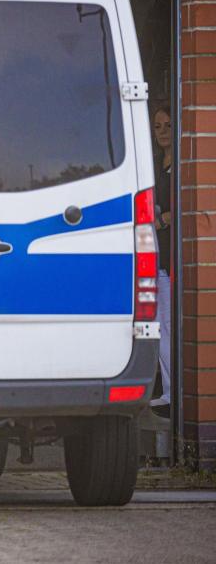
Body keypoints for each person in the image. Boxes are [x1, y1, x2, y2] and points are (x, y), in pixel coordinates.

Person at [151, 104, 172, 417]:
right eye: (157, 126)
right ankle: (167, 389)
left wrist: (165, 217)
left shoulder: (181, 162)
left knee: (165, 323)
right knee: (156, 323)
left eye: (168, 125)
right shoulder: (154, 163)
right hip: (153, 252)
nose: (163, 131)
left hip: (171, 255)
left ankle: (172, 392)